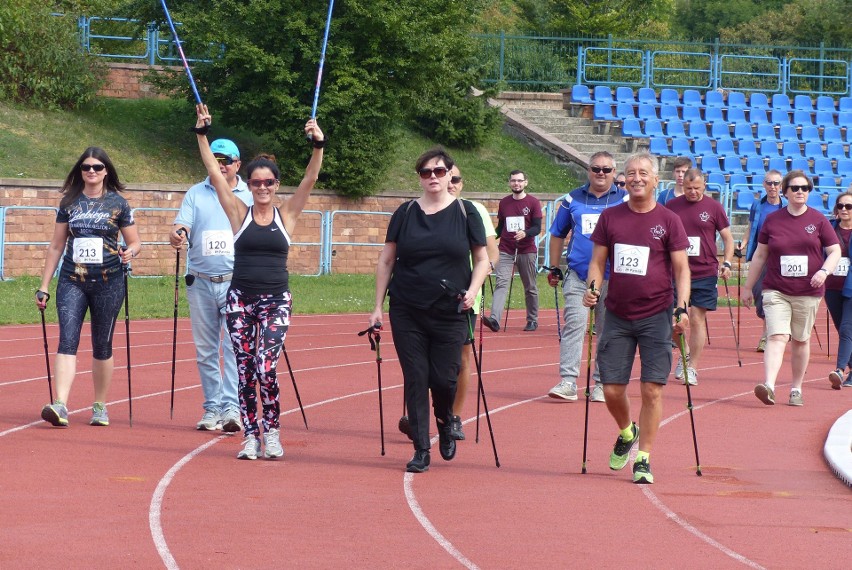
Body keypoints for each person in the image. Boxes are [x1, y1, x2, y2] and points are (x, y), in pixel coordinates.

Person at [193, 104, 324, 459]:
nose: (262, 187)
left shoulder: (288, 215)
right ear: (248, 186)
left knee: (266, 367)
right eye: (256, 182)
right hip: (240, 300)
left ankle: (273, 432)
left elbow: (310, 178)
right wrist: (202, 134)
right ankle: (251, 436)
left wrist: (318, 144)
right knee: (247, 368)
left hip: (276, 302)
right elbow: (214, 174)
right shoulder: (239, 212)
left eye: (268, 182)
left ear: (276, 185)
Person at [370, 147, 489, 473]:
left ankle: (445, 420)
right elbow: (387, 260)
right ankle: (421, 448)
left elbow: (482, 260)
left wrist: (473, 291)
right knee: (416, 377)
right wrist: (377, 306)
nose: (433, 177)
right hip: (407, 307)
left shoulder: (466, 213)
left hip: (450, 309)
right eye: (426, 172)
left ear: (450, 173)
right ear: (420, 177)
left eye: (439, 171)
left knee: (445, 377)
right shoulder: (405, 213)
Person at [582, 151, 691, 485]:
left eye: (643, 172)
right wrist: (592, 290)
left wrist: (682, 306)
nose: (636, 178)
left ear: (656, 179)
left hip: (657, 314)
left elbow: (681, 268)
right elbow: (598, 263)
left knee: (652, 390)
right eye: (630, 173)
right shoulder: (611, 217)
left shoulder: (669, 220)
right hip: (616, 313)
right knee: (612, 389)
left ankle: (643, 457)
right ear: (623, 179)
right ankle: (627, 430)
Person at [36, 147, 142, 427]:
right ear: (80, 171)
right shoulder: (69, 202)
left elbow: (135, 242)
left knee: (102, 344)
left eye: (96, 167)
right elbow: (57, 245)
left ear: (106, 170)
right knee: (67, 339)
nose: (91, 171)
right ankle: (60, 404)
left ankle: (100, 405)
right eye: (86, 167)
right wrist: (44, 284)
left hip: (109, 282)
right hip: (73, 280)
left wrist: (130, 252)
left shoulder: (119, 204)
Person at [170, 139, 252, 433]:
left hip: (236, 282)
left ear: (237, 164)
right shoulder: (196, 192)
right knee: (206, 350)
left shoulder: (249, 193)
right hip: (201, 281)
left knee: (233, 348)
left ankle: (232, 407)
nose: (220, 165)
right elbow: (181, 226)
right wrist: (178, 234)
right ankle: (211, 408)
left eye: (226, 160)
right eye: (215, 159)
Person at [742, 171, 840, 407]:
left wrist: (824, 271)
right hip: (776, 289)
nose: (799, 192)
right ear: (785, 192)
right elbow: (760, 254)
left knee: (801, 340)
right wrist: (747, 287)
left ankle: (796, 387)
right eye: (795, 188)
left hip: (808, 291)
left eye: (804, 188)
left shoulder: (818, 220)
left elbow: (835, 250)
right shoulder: (773, 221)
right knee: (777, 335)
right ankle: (769, 385)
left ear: (809, 191)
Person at [546, 152, 627, 403]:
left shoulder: (625, 199)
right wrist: (553, 267)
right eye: (595, 169)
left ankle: (602, 383)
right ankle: (568, 381)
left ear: (614, 172)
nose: (600, 174)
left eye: (606, 169)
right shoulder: (572, 199)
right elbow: (558, 233)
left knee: (607, 331)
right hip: (579, 275)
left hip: (613, 277)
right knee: (575, 325)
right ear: (588, 171)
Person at [665, 168, 735, 386]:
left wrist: (727, 262)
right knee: (672, 319)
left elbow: (728, 239)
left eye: (696, 188)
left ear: (704, 186)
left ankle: (692, 367)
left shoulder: (714, 207)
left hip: (704, 271)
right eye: (688, 188)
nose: (692, 192)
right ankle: (684, 352)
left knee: (696, 318)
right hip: (676, 271)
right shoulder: (671, 207)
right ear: (681, 186)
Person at [446, 165, 498, 440]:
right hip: (428, 296)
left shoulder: (473, 210)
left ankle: (455, 416)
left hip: (466, 297)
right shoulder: (422, 208)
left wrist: (479, 277)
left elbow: (492, 252)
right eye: (446, 177)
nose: (451, 183)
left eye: (456, 179)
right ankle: (425, 411)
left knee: (462, 359)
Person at [483, 170, 542, 332]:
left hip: (526, 250)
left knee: (529, 286)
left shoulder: (533, 203)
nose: (516, 183)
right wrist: (489, 239)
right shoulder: (504, 203)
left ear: (525, 183)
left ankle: (532, 320)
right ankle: (494, 319)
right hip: (506, 249)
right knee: (501, 282)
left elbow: (537, 227)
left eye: (519, 181)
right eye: (513, 181)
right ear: (509, 183)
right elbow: (501, 227)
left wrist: (525, 233)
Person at [737, 170, 786, 352]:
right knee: (759, 292)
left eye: (776, 183)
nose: (772, 187)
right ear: (764, 185)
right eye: (769, 183)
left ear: (781, 186)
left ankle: (767, 335)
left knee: (773, 295)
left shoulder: (786, 206)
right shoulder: (758, 205)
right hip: (760, 255)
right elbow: (751, 227)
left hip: (780, 258)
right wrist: (743, 243)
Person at [825, 190, 852, 389]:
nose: (844, 209)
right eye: (841, 206)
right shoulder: (828, 228)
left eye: (848, 206)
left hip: (851, 287)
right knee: (841, 328)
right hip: (832, 285)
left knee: (846, 328)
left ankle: (839, 370)